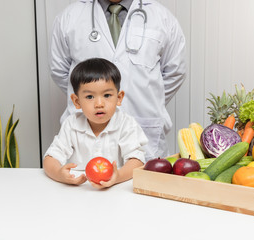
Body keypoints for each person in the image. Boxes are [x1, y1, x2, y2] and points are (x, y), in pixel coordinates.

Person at [50, 0, 186, 161]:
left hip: (145, 127)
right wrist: (90, 98)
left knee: (143, 181)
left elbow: (175, 71)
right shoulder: (69, 17)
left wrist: (149, 99)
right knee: (86, 181)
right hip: (86, 140)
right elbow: (60, 71)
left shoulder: (162, 18)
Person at [43, 58, 148, 188]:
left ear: (119, 98)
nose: (99, 104)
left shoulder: (126, 124)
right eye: (89, 97)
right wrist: (59, 174)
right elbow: (50, 159)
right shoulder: (71, 124)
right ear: (76, 101)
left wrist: (117, 177)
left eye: (107, 95)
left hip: (117, 190)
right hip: (79, 191)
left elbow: (137, 161)